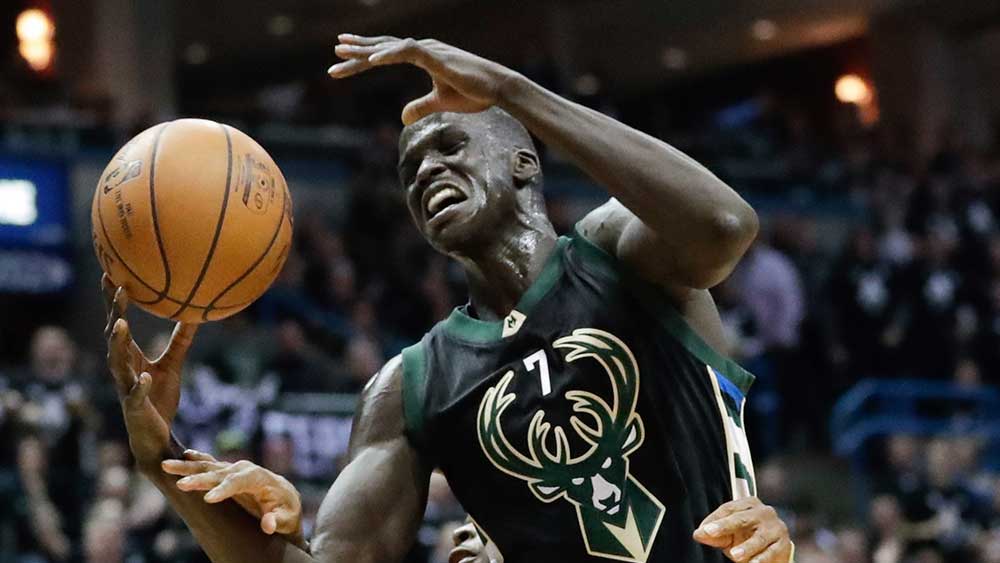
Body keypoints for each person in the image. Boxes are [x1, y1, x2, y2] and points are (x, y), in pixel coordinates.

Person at [101, 35, 793, 563]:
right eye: (410, 168)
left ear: (524, 161)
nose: (428, 168)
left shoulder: (618, 251)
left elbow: (724, 226)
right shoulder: (409, 386)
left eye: (452, 144)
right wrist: (161, 457)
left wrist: (510, 89)